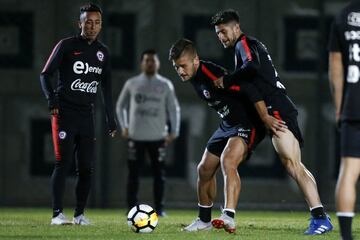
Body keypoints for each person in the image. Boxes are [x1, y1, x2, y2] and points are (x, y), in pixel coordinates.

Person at [210, 9, 333, 235]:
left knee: (293, 165)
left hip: (277, 110)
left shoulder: (243, 44)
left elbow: (252, 67)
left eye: (224, 31)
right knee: (293, 164)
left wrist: (227, 79)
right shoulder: (248, 45)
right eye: (218, 33)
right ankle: (320, 216)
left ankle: (320, 218)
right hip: (276, 108)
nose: (221, 37)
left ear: (236, 28)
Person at [169, 38, 286, 233]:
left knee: (228, 160)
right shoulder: (194, 75)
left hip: (248, 122)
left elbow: (250, 88)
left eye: (183, 66)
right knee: (204, 170)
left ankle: (229, 216)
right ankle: (204, 220)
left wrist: (265, 116)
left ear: (195, 60)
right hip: (227, 124)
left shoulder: (209, 74)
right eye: (176, 67)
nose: (180, 71)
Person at [40, 3, 117, 225]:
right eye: (88, 22)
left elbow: (107, 88)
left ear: (101, 25)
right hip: (64, 113)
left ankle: (79, 215)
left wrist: (110, 119)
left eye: (97, 22)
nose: (92, 26)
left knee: (86, 167)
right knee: (62, 163)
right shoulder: (66, 46)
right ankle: (57, 214)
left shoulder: (103, 52)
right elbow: (45, 75)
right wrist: (52, 100)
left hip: (87, 116)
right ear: (80, 23)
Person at [116, 49, 180, 217]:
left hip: (158, 137)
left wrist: (174, 131)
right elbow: (120, 106)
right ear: (141, 63)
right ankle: (131, 209)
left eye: (153, 60)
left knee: (159, 175)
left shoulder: (165, 84)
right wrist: (124, 126)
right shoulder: (132, 83)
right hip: (136, 137)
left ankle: (159, 209)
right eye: (147, 60)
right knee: (133, 175)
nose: (150, 63)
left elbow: (174, 109)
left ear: (158, 64)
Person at [329, 2, 360, 239]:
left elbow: (336, 68)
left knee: (349, 171)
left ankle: (347, 237)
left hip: (353, 105)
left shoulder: (344, 16)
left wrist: (340, 107)